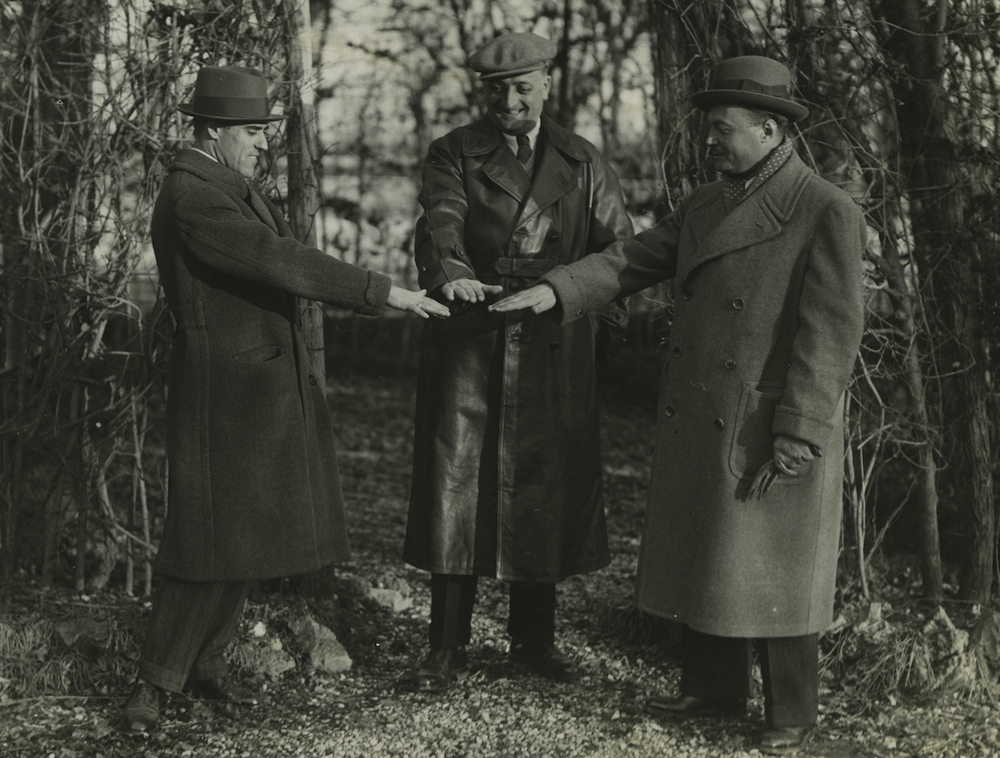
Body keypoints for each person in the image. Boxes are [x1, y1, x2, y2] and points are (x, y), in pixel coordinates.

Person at [492, 55, 866, 755]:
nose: (710, 143)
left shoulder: (825, 210)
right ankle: (714, 688)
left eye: (722, 129)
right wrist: (557, 291)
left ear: (768, 129)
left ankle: (792, 710)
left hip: (769, 419)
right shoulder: (706, 204)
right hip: (706, 409)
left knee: (777, 567)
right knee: (709, 550)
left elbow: (832, 333)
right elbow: (630, 259)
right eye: (710, 130)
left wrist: (802, 429)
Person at [121, 65, 449, 734]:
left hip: (251, 389)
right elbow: (277, 259)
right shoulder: (194, 197)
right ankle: (150, 689)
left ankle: (205, 664)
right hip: (225, 395)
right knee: (204, 544)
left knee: (241, 538)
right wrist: (381, 291)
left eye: (267, 131)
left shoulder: (223, 183)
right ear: (213, 134)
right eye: (253, 132)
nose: (265, 144)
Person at [402, 32, 633, 692]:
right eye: (496, 88)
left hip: (554, 335)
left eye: (522, 86)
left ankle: (534, 645)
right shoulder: (454, 151)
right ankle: (444, 648)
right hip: (473, 334)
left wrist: (561, 290)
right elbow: (439, 218)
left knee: (544, 485)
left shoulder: (585, 161)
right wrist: (451, 272)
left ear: (546, 86)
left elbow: (623, 252)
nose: (509, 98)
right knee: (458, 483)